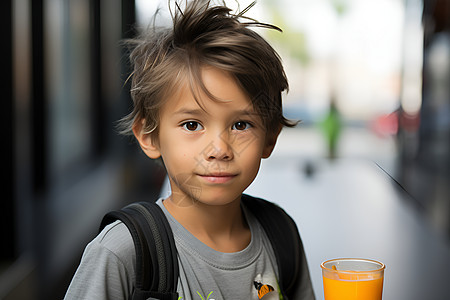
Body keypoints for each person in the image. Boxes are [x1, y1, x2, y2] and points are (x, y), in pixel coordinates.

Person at [65, 1, 315, 299]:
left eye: (241, 125)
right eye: (192, 125)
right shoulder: (123, 252)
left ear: (270, 138)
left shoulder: (281, 236)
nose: (219, 149)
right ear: (149, 136)